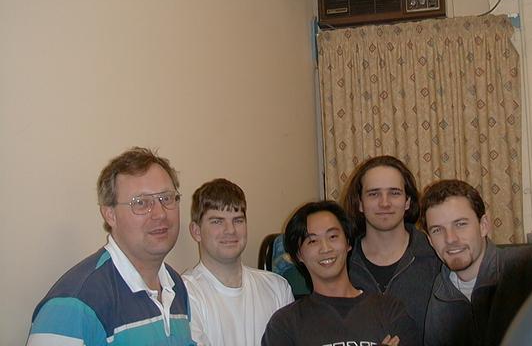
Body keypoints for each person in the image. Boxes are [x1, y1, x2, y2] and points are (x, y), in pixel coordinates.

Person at [26, 147, 194, 345]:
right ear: (110, 215)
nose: (160, 213)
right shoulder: (73, 305)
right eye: (141, 203)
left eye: (166, 198)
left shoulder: (176, 287)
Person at [420, 179, 532, 346]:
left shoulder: (530, 265)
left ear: (483, 226)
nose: (450, 239)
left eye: (460, 224)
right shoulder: (439, 296)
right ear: (430, 241)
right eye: (437, 230)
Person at [262, 200, 419, 346]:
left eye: (333, 236)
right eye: (313, 241)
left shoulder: (390, 310)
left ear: (348, 243)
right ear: (299, 255)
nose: (325, 248)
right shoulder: (285, 324)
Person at [182, 178, 294, 345]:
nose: (230, 230)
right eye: (217, 221)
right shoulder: (185, 293)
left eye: (238, 220)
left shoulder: (278, 288)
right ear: (196, 231)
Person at [341, 156, 440, 342]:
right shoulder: (341, 263)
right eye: (373, 194)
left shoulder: (436, 256)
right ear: (360, 203)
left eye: (394, 193)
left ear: (407, 201)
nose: (384, 203)